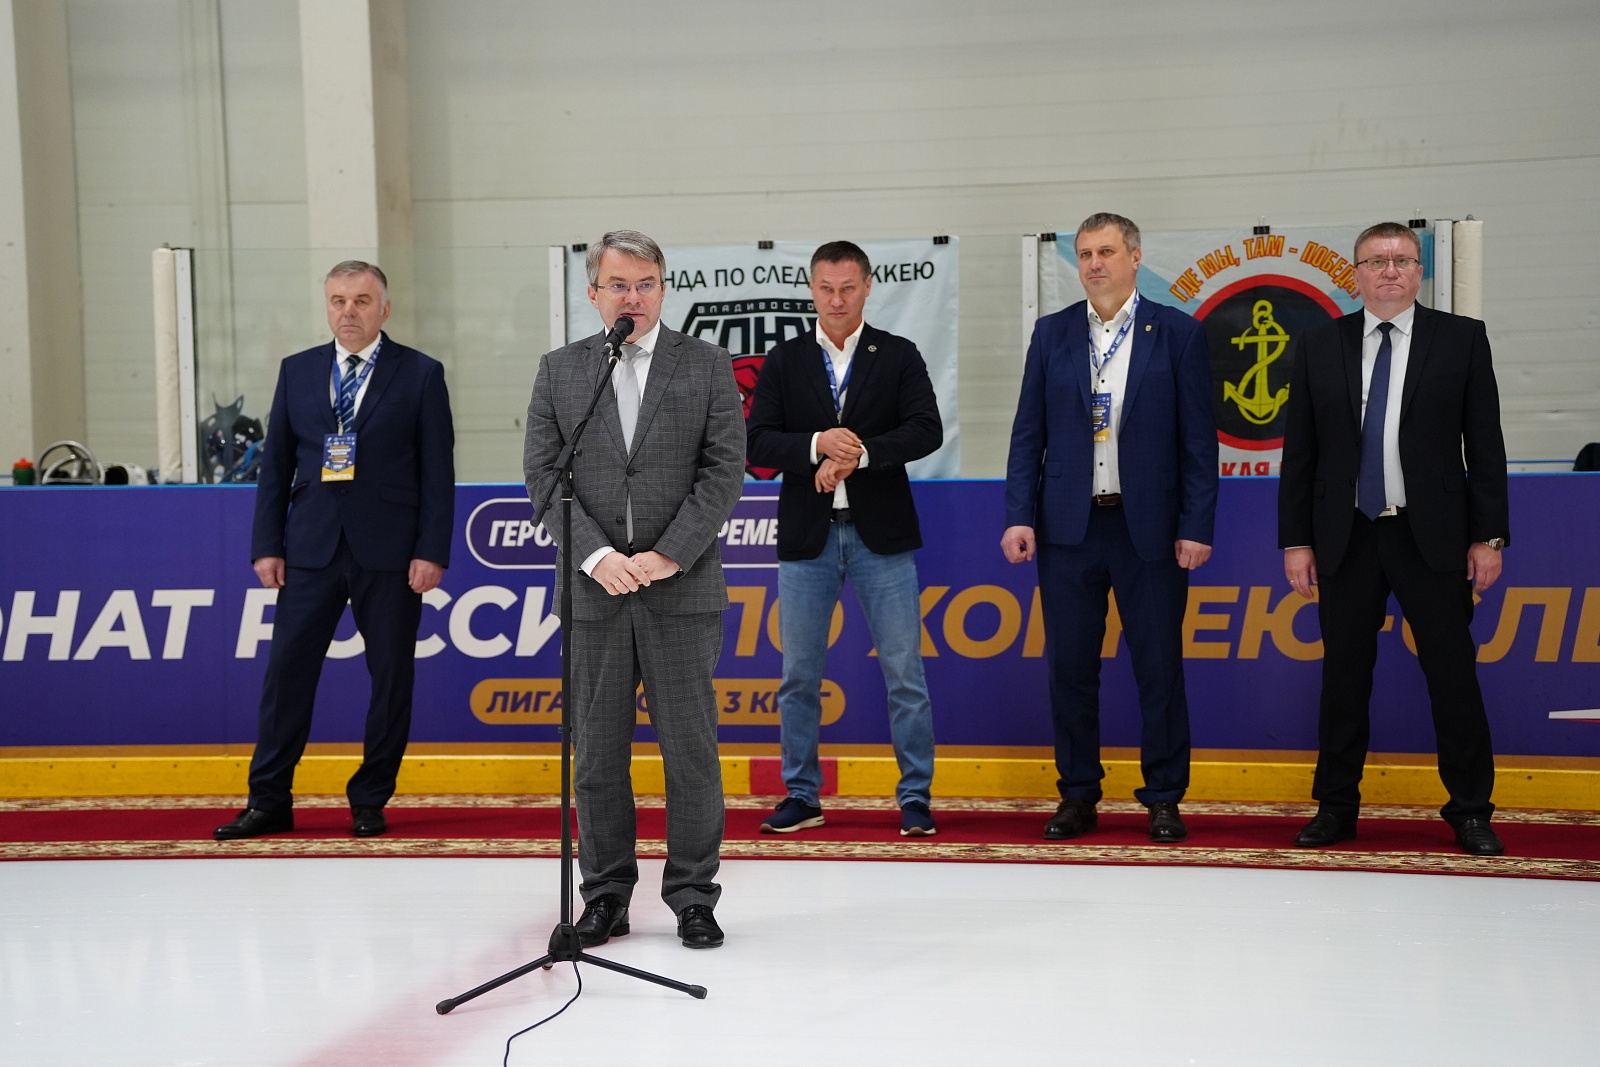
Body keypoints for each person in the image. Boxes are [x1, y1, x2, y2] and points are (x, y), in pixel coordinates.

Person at [523, 230, 745, 949]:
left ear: (663, 289)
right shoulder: (561, 371)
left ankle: (694, 896)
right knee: (596, 756)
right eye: (618, 285)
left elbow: (723, 472)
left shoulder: (706, 364)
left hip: (680, 589)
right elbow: (542, 476)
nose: (633, 297)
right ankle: (606, 896)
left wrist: (667, 555)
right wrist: (594, 556)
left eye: (646, 284)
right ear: (593, 293)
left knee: (690, 752)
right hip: (595, 594)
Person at [1278, 221, 1510, 856]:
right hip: (1345, 535)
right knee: (1343, 678)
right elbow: (1300, 451)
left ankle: (1471, 810)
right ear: (1355, 273)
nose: (1389, 271)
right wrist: (1296, 541)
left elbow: (1485, 444)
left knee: (1452, 675)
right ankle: (1336, 807)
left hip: (1431, 535)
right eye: (1376, 261)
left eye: (1402, 260)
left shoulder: (1461, 338)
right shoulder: (1320, 342)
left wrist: (1489, 537)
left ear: (1418, 272)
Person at [215, 261, 455, 841]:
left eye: (362, 301)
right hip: (310, 549)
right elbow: (275, 467)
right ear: (327, 306)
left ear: (384, 308)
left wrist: (431, 550)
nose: (349, 311)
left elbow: (437, 473)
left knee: (391, 679)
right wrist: (267, 544)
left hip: (391, 554)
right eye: (339, 301)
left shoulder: (421, 374)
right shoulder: (296, 371)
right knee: (286, 678)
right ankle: (268, 800)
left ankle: (369, 800)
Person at [1001, 212, 1217, 844]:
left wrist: (1197, 525)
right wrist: (1017, 516)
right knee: (1070, 669)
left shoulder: (1177, 333)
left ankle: (1164, 798)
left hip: (1149, 529)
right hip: (1068, 529)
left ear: (1135, 257)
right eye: (1086, 254)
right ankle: (1077, 794)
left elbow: (1199, 443)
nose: (1095, 263)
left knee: (1159, 666)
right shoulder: (1052, 333)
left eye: (1107, 251)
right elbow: (1027, 435)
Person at [746, 241, 944, 838]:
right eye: (827, 288)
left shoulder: (898, 353)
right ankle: (801, 795)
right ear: (812, 289)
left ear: (867, 286)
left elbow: (926, 429)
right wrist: (816, 446)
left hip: (883, 537)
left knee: (905, 674)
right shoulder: (784, 360)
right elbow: (756, 440)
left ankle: (915, 797)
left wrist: (861, 454)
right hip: (808, 539)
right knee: (798, 677)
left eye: (848, 288)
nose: (837, 300)